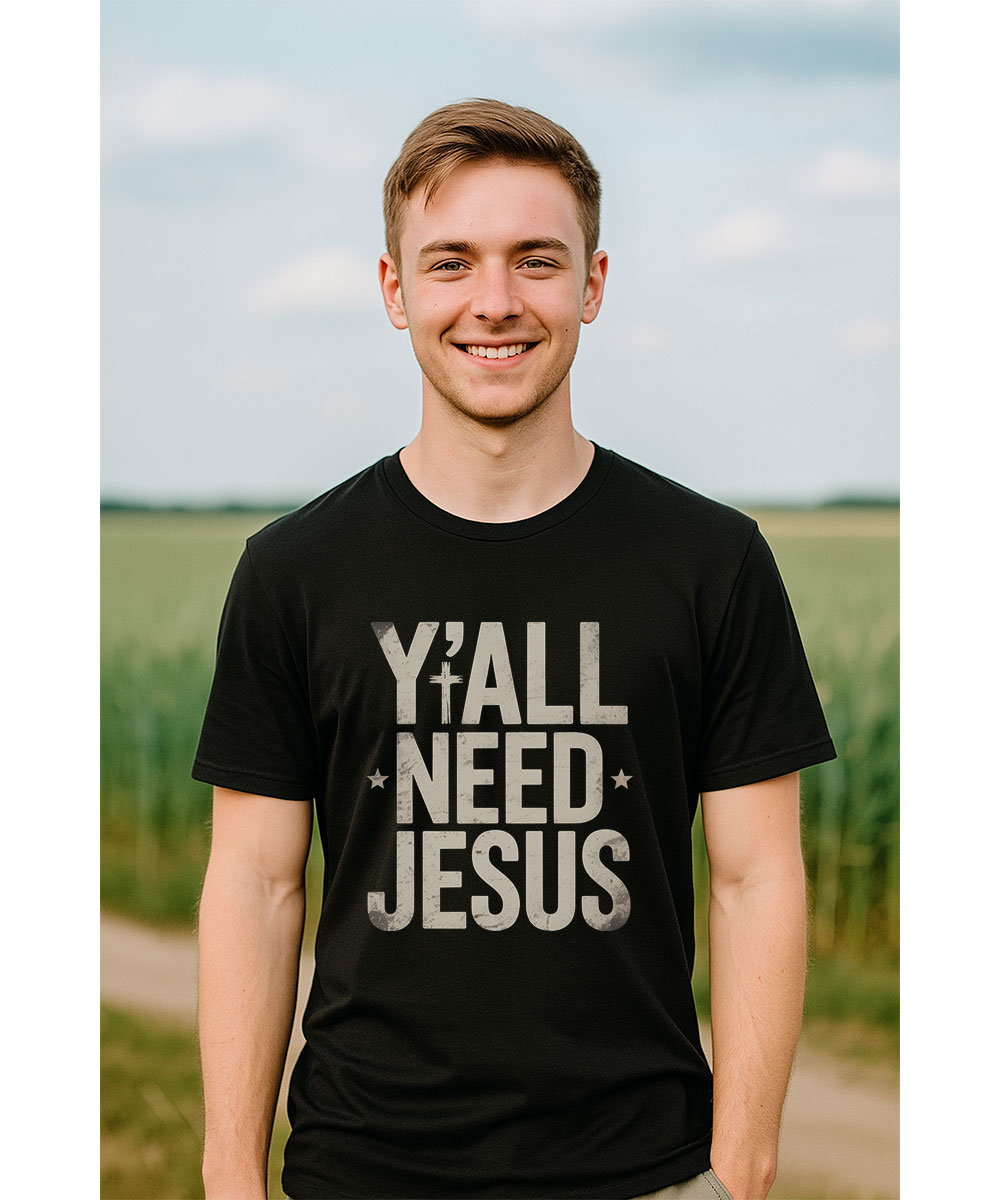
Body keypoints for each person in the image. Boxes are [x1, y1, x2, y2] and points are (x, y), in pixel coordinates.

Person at [194, 99, 835, 1200]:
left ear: (591, 282)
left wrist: (740, 1173)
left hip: (642, 1170)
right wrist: (230, 1180)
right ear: (396, 293)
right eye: (451, 263)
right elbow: (254, 885)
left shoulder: (710, 561)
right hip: (364, 1170)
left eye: (535, 260)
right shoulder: (294, 572)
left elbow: (755, 876)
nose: (494, 303)